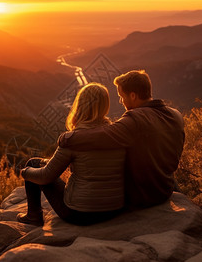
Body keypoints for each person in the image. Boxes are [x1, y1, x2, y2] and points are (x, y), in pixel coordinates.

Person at [59, 70, 185, 208]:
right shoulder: (176, 115)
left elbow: (100, 136)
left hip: (140, 197)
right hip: (165, 190)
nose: (121, 101)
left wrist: (67, 138)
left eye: (121, 96)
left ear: (133, 96)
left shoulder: (135, 119)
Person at [17, 83, 125, 226]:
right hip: (114, 209)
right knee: (40, 163)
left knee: (33, 164)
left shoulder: (73, 139)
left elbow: (45, 177)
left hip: (79, 214)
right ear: (105, 105)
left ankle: (33, 216)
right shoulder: (118, 134)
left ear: (80, 105)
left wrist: (24, 172)